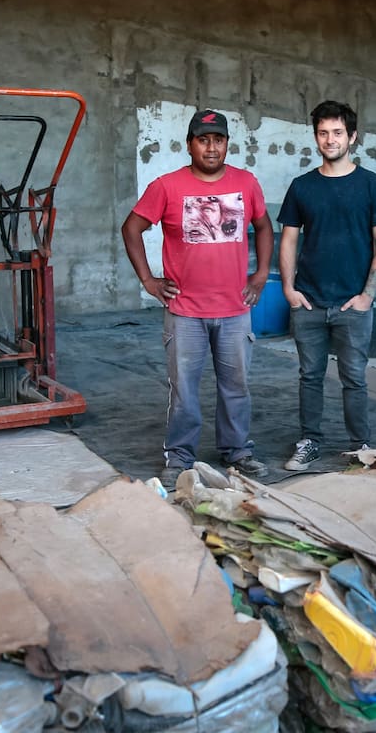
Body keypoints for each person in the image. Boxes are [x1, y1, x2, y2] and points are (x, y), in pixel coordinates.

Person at [122, 109, 274, 486]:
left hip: (235, 308)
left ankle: (238, 452)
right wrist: (148, 280)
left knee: (236, 386)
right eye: (203, 139)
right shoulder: (167, 187)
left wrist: (260, 274)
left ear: (226, 144)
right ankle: (180, 458)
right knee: (184, 390)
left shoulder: (246, 183)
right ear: (189, 144)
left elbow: (264, 225)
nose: (212, 147)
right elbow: (132, 227)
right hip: (186, 310)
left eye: (218, 140)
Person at [277, 100, 376, 471]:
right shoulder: (302, 187)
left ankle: (359, 446)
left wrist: (367, 296)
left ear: (352, 137)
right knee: (309, 376)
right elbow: (289, 240)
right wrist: (289, 290)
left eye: (338, 132)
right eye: (323, 133)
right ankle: (310, 440)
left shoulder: (372, 185)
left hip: (352, 304)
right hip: (309, 300)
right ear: (316, 137)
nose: (330, 139)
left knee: (354, 379)